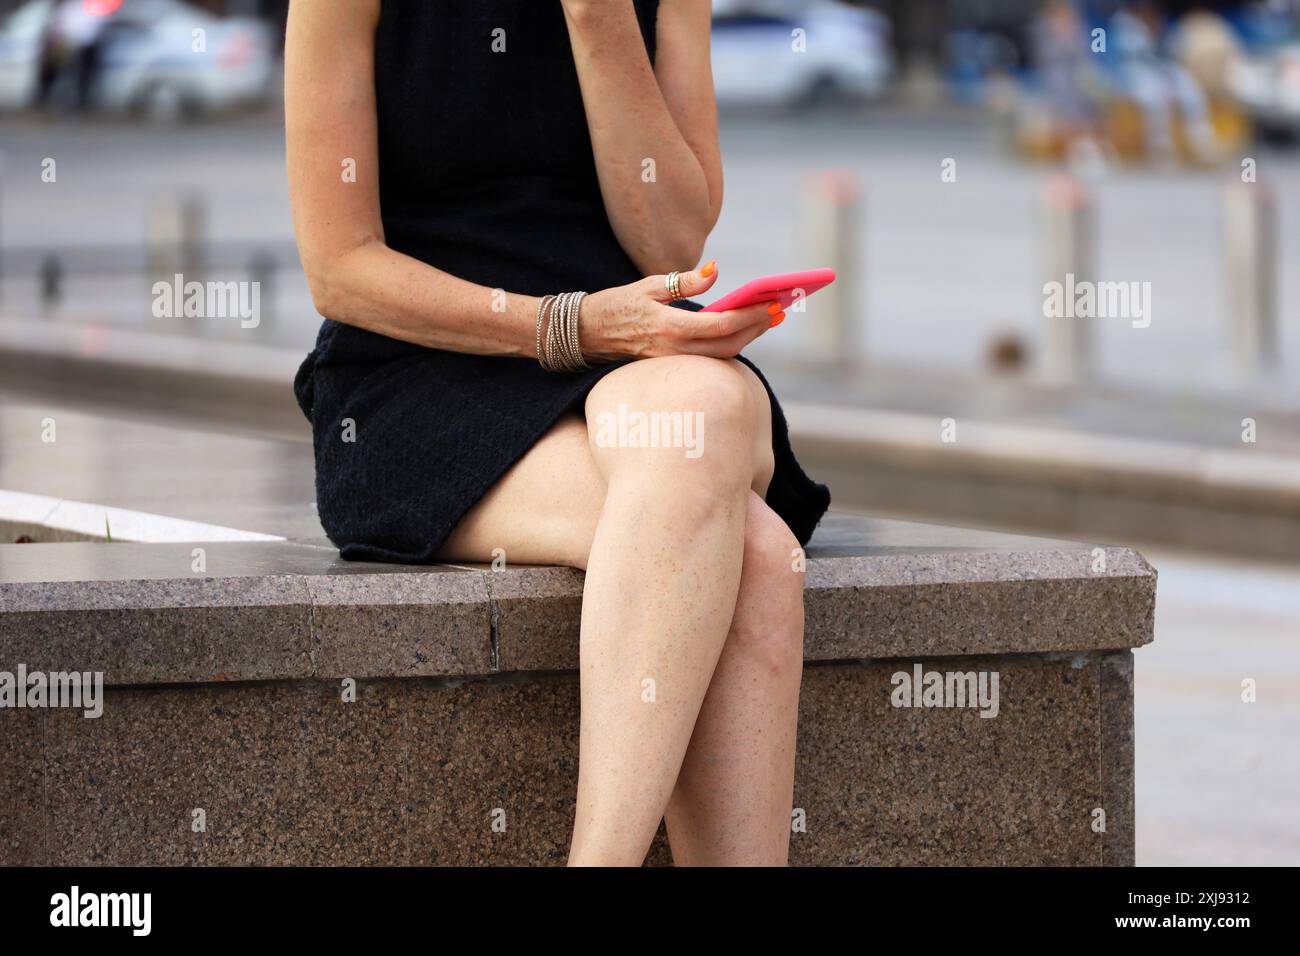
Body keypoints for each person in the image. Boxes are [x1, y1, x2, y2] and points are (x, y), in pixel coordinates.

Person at [286, 0, 831, 866]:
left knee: (704, 413)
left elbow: (671, 236)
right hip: (420, 372)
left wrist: (596, 16)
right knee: (756, 556)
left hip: (638, 349)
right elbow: (341, 268)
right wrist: (568, 326)